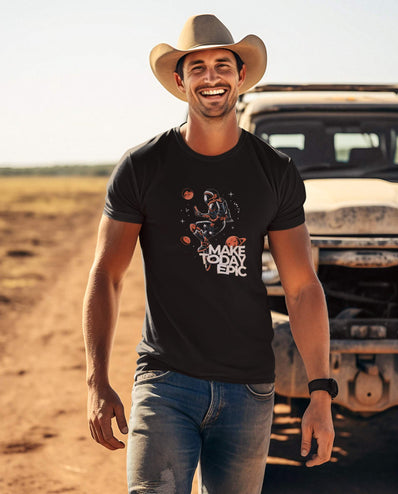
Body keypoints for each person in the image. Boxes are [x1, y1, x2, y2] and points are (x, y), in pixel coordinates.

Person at [82, 14, 335, 494]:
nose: (211, 77)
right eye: (197, 68)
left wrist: (320, 392)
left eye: (223, 64)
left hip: (249, 389)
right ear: (180, 83)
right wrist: (96, 380)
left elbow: (302, 288)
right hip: (165, 383)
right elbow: (107, 276)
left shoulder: (274, 172)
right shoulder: (142, 167)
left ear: (241, 77)